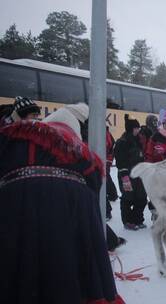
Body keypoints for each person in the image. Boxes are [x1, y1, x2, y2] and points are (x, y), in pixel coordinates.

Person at [0, 104, 124, 303]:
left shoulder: (12, 140)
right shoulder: (81, 155)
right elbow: (94, 188)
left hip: (15, 209)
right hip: (72, 211)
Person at [114, 114, 148, 231]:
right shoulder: (122, 142)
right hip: (127, 175)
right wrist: (124, 176)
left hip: (139, 174)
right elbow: (120, 161)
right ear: (131, 129)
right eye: (136, 128)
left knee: (142, 198)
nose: (138, 130)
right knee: (128, 198)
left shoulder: (138, 141)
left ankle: (137, 219)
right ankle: (128, 221)